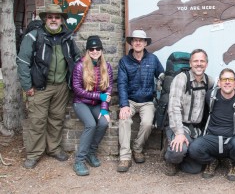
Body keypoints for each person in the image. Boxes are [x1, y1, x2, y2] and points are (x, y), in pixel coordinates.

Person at [17, 4, 81, 169]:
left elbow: (77, 56)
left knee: (56, 120)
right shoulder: (33, 36)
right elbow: (23, 61)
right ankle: (34, 154)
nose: (54, 19)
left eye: (57, 17)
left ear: (61, 20)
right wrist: (27, 85)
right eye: (51, 17)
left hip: (61, 87)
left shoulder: (68, 37)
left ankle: (53, 149)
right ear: (46, 18)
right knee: (37, 121)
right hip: (39, 87)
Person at [188, 68, 235, 181]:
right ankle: (211, 161)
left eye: (230, 79)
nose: (227, 82)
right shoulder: (210, 96)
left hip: (232, 139)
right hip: (212, 139)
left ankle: (234, 165)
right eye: (224, 79)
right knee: (194, 149)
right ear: (219, 83)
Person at [117, 30, 164, 172]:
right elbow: (122, 84)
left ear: (145, 43)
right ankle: (125, 157)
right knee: (124, 120)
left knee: (148, 123)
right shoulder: (124, 61)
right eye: (135, 40)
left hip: (147, 101)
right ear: (131, 43)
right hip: (130, 100)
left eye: (141, 40)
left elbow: (162, 76)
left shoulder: (153, 59)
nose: (138, 43)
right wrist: (124, 105)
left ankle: (137, 148)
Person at [164, 49, 214, 176]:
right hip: (179, 125)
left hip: (196, 129)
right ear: (190, 64)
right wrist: (179, 134)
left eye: (202, 61)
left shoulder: (209, 81)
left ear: (206, 64)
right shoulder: (181, 79)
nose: (199, 64)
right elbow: (174, 107)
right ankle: (172, 158)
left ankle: (185, 153)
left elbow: (224, 87)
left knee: (194, 169)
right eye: (195, 61)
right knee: (178, 150)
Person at [72, 36, 113, 176]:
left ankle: (91, 152)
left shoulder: (106, 66)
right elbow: (77, 89)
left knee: (103, 122)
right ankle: (79, 160)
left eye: (97, 49)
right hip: (81, 103)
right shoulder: (80, 66)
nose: (95, 51)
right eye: (91, 49)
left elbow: (108, 89)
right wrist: (98, 96)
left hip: (96, 104)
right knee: (91, 124)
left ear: (101, 50)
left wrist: (104, 108)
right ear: (87, 50)